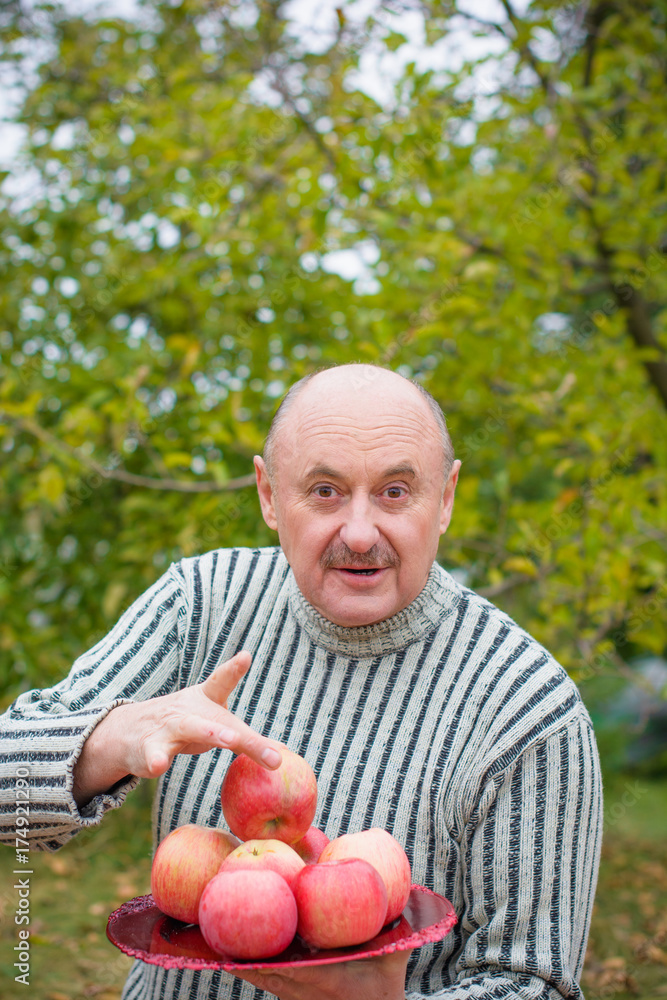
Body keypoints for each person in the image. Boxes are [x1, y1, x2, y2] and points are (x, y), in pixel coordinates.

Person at [0, 363, 602, 1000]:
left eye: (396, 491)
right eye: (325, 491)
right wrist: (112, 740)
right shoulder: (199, 606)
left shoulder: (528, 709)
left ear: (446, 498)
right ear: (268, 495)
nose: (360, 534)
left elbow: (533, 981)